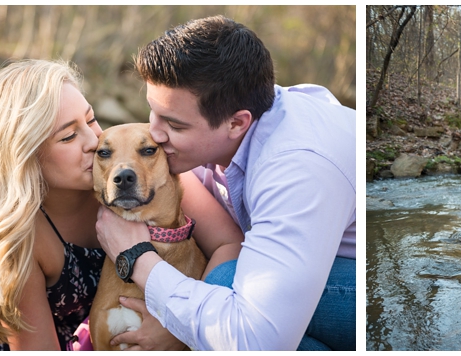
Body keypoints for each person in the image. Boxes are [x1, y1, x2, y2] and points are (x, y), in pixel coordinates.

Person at [0, 59, 240, 350]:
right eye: (68, 136)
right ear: (26, 160)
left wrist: (185, 323)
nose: (94, 141)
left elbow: (229, 243)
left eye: (91, 119)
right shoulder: (17, 236)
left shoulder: (145, 174)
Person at [94, 16, 356, 351]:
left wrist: (139, 259)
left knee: (225, 284)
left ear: (236, 123)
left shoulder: (297, 167)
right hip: (319, 271)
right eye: (152, 113)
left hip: (365, 285)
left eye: (173, 123)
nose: (155, 134)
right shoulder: (222, 135)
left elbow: (254, 343)